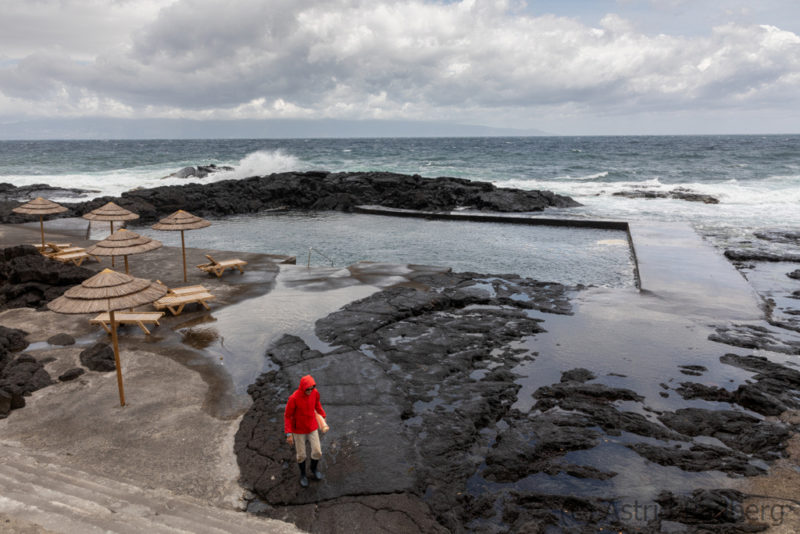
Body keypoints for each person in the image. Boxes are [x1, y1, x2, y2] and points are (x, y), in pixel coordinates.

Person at [284, 374, 326, 487]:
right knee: (301, 455)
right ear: (303, 387)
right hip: (298, 430)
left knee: (317, 451)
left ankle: (313, 469)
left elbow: (317, 404)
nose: (310, 390)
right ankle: (303, 474)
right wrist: (289, 433)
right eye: (308, 389)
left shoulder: (315, 393)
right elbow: (287, 416)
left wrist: (322, 416)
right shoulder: (294, 398)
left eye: (312, 388)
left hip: (312, 426)